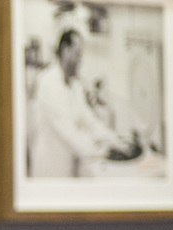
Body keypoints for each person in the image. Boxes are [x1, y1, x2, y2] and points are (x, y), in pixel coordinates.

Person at [29, 29, 129, 177]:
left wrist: (113, 139)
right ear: (65, 51)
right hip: (50, 167)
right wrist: (100, 151)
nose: (80, 60)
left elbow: (88, 119)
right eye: (77, 54)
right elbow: (67, 130)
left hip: (67, 163)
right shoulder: (47, 82)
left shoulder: (75, 85)